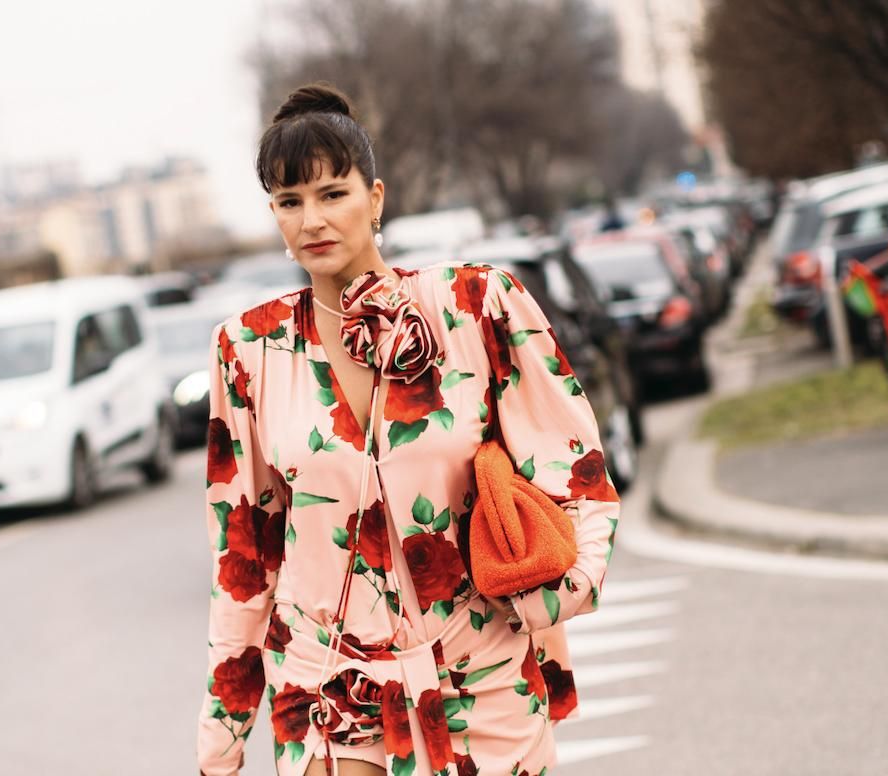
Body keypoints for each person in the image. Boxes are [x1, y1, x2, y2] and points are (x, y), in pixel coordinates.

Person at [197, 82, 621, 776]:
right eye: (288, 201)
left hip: (478, 673)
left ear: (376, 198)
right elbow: (243, 555)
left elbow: (576, 471)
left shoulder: (476, 306)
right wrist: (223, 736)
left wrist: (560, 590)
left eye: (332, 193)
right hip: (331, 686)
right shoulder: (247, 349)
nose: (311, 220)